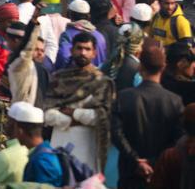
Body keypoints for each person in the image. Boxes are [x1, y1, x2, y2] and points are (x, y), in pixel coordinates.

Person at [112, 44, 185, 186]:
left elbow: (116, 133)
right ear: (163, 67)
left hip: (129, 172)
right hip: (161, 173)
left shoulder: (123, 97)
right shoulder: (175, 101)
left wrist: (136, 160)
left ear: (140, 68)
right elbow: (178, 139)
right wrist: (154, 162)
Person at [43, 31, 113, 175]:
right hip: (61, 140)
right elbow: (47, 112)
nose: (83, 53)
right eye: (79, 48)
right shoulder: (59, 78)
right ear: (71, 50)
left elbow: (104, 116)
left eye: (87, 49)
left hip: (88, 144)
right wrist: (69, 120)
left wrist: (74, 113)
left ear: (94, 53)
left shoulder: (102, 82)